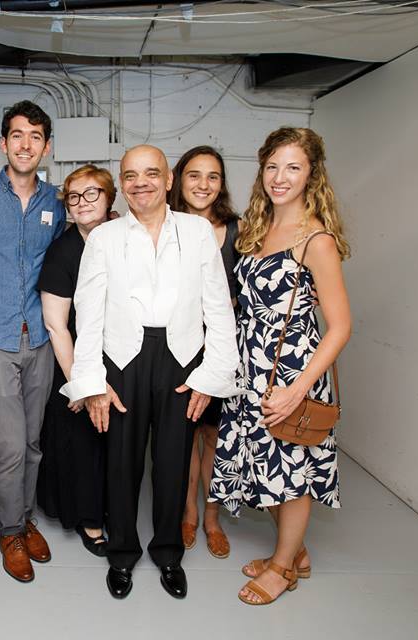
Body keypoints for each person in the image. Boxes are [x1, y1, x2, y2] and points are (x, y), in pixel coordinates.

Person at [62, 145, 239, 600]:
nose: (141, 182)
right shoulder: (104, 238)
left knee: (174, 464)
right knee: (121, 464)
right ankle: (122, 554)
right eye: (131, 175)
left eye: (151, 173)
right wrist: (92, 382)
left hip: (182, 357)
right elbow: (88, 313)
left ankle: (168, 553)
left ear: (168, 179)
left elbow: (218, 308)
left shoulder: (198, 232)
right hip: (123, 358)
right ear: (122, 183)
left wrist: (210, 376)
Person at [209, 127, 351, 606]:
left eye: (293, 167)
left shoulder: (316, 239)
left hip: (291, 373)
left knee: (292, 475)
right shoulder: (257, 227)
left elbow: (340, 327)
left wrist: (297, 390)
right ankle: (296, 554)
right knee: (261, 467)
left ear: (312, 174)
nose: (280, 177)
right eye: (272, 166)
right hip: (250, 371)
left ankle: (282, 567)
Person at [0, 100, 66, 583]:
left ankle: (24, 519)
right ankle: (10, 532)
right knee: (8, 447)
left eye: (36, 136)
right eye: (18, 135)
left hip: (40, 335)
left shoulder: (57, 202)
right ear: (3, 143)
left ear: (47, 147)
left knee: (32, 442)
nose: (26, 144)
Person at [168, 146, 242, 560]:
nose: (203, 184)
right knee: (185, 435)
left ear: (222, 184)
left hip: (221, 346)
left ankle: (212, 519)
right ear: (179, 179)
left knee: (215, 435)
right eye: (194, 175)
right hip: (179, 348)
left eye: (213, 176)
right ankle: (188, 513)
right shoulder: (166, 224)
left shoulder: (237, 230)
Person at [36, 164, 113, 557]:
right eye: (74, 197)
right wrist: (80, 384)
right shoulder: (63, 252)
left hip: (121, 354)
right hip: (75, 358)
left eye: (92, 193)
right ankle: (89, 518)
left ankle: (113, 506)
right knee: (84, 439)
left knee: (115, 441)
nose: (82, 202)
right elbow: (56, 325)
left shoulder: (125, 238)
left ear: (109, 197)